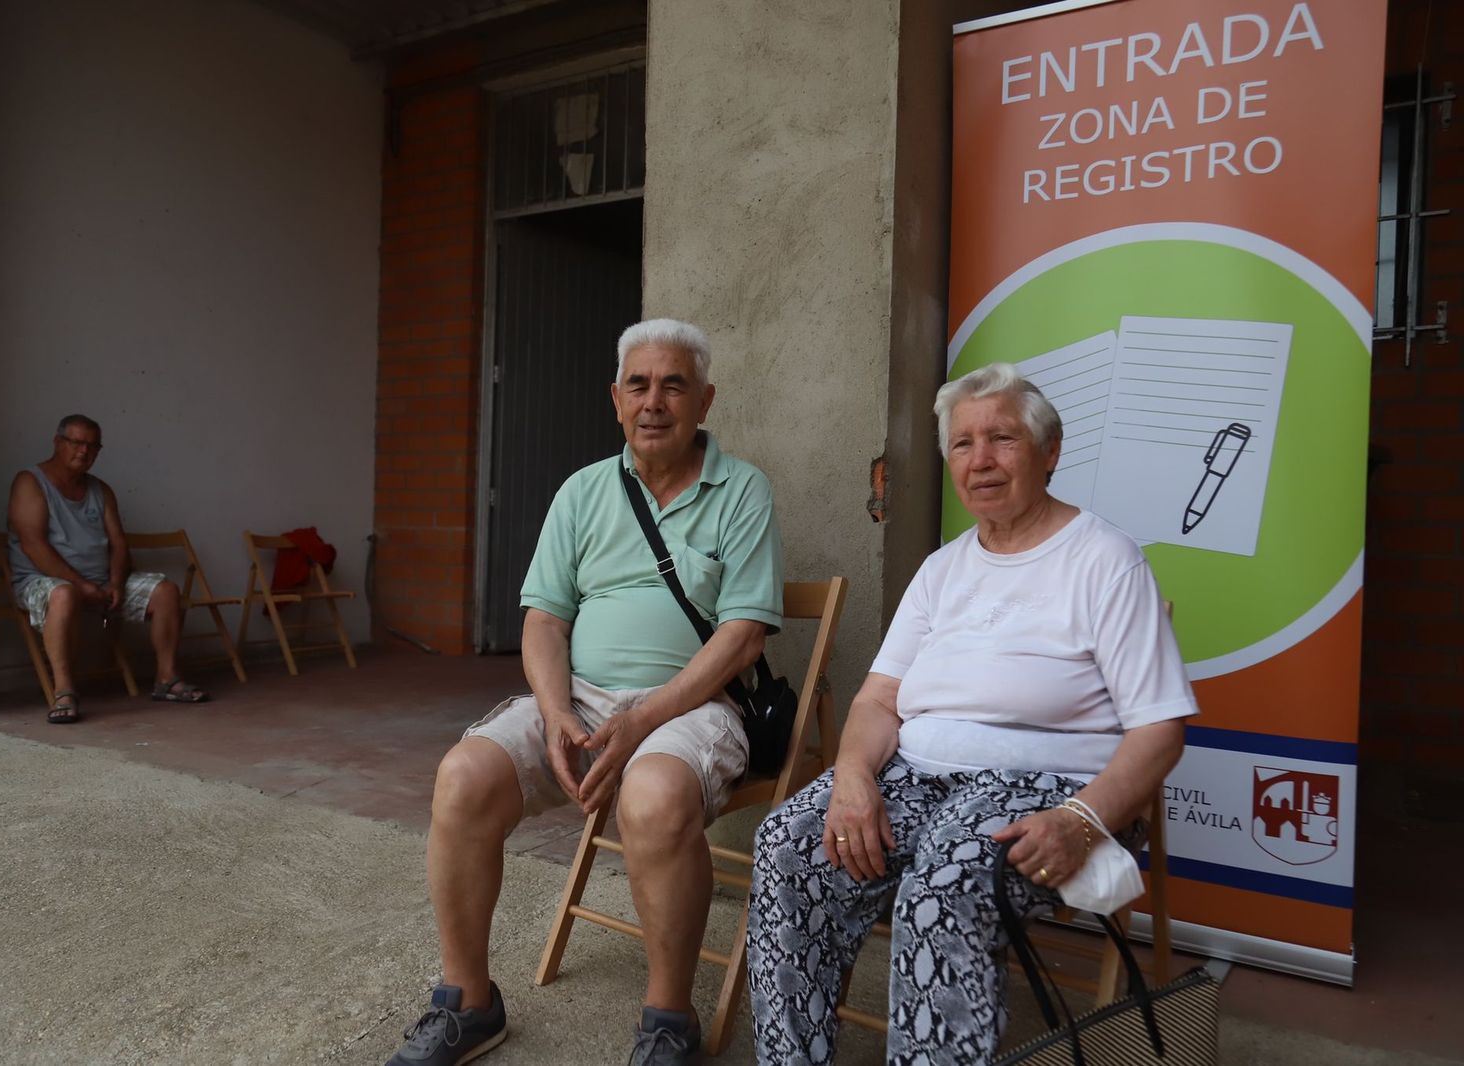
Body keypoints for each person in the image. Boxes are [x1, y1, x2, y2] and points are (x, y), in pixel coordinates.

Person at [745, 363, 1197, 1065]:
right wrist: (853, 776)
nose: (980, 460)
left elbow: (1161, 728)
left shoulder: (1107, 562)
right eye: (962, 443)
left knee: (943, 889)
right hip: (915, 775)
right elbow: (876, 700)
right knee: (788, 847)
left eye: (1003, 439)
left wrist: (1082, 820)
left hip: (1042, 790)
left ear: (1050, 452)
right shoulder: (942, 569)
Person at [387, 320, 783, 1066]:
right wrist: (559, 709)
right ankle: (468, 1003)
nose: (655, 401)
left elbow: (743, 636)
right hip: (580, 699)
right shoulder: (583, 492)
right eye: (639, 384)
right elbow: (543, 618)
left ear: (705, 399)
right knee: (464, 777)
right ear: (616, 399)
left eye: (674, 385)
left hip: (690, 707)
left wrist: (643, 719)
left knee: (656, 800)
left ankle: (669, 1020)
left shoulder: (743, 489)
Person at [7, 414, 208, 723]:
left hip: (101, 584)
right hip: (45, 581)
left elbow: (118, 543)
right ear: (57, 443)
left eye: (92, 446)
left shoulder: (101, 490)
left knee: (165, 591)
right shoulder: (30, 482)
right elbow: (34, 546)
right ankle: (63, 692)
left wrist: (115, 582)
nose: (83, 452)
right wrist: (81, 584)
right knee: (63, 593)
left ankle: (166, 680)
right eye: (75, 443)